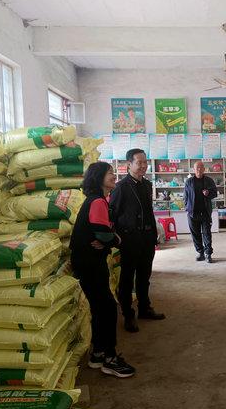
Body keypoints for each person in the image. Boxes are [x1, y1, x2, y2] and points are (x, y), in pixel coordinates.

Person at [70, 162, 136, 378]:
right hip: (90, 263)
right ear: (98, 177)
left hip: (86, 262)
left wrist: (107, 237)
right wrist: (115, 239)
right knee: (107, 308)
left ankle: (98, 353)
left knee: (100, 308)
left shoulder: (97, 200)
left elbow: (103, 233)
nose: (114, 176)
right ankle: (110, 358)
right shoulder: (97, 201)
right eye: (109, 173)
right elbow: (104, 233)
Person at [110, 148, 165, 333]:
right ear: (129, 164)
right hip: (129, 240)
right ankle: (128, 315)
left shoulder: (147, 185)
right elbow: (112, 214)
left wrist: (154, 235)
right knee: (127, 279)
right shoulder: (121, 187)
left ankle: (144, 308)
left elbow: (149, 212)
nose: (143, 166)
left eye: (145, 162)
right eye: (139, 162)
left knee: (144, 276)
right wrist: (116, 237)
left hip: (147, 239)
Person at [184, 161, 218, 263]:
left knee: (207, 234)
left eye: (200, 167)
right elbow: (185, 196)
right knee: (195, 234)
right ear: (194, 170)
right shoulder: (189, 182)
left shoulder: (209, 180)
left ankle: (208, 254)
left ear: (204, 169)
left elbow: (215, 193)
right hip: (192, 213)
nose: (199, 169)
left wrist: (208, 193)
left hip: (205, 213)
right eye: (197, 168)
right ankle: (201, 253)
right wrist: (187, 208)